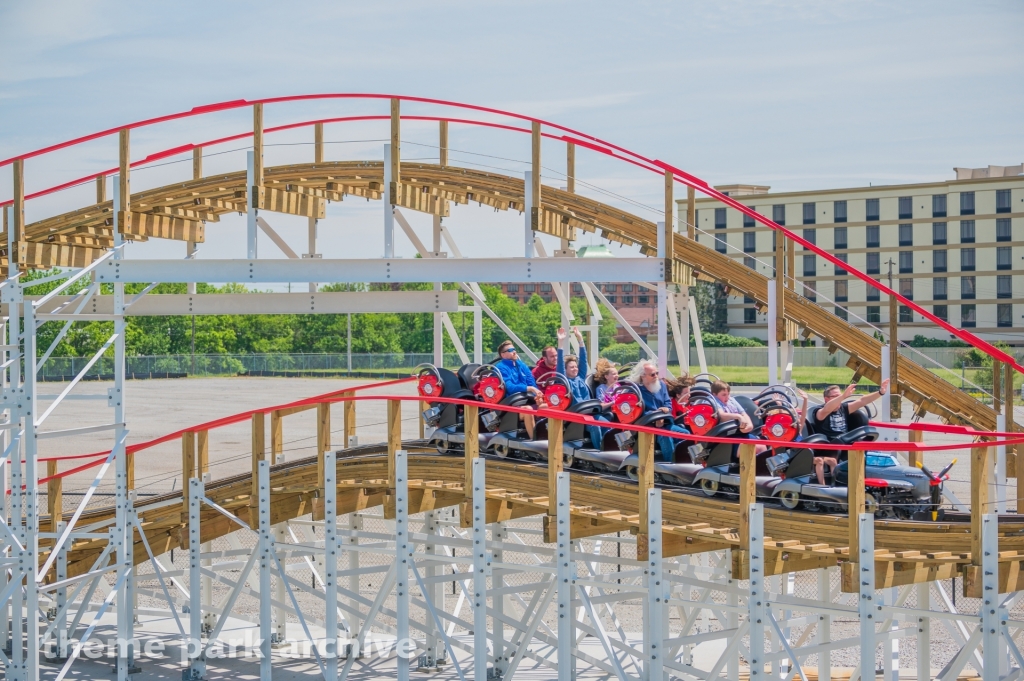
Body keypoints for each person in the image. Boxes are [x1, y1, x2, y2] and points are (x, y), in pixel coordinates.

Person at [555, 326, 605, 449]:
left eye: (575, 366)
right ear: (566, 370)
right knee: (594, 426)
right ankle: (598, 451)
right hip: (576, 413)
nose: (575, 369)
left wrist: (580, 339)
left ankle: (611, 448)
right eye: (571, 367)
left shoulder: (580, 378)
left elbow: (583, 361)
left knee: (608, 424)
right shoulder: (565, 381)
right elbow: (560, 366)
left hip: (589, 411)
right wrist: (560, 343)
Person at [634, 362, 690, 462]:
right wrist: (655, 416)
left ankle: (682, 461)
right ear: (643, 376)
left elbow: (668, 403)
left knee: (686, 435)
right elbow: (636, 412)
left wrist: (666, 410)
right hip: (646, 424)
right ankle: (668, 465)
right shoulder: (636, 390)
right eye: (652, 374)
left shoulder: (662, 386)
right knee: (665, 436)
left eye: (657, 373)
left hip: (664, 421)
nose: (656, 376)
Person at [815, 379, 890, 441]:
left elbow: (862, 401)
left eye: (839, 396)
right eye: (835, 396)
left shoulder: (843, 408)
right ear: (826, 399)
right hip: (831, 445)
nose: (839, 399)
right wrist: (843, 396)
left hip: (845, 441)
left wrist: (880, 392)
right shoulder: (821, 411)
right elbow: (827, 408)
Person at [495, 340, 542, 438]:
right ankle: (534, 442)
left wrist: (537, 397)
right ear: (503, 355)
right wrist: (530, 389)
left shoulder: (521, 365)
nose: (514, 351)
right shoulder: (500, 367)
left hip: (527, 400)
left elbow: (531, 382)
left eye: (514, 349)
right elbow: (510, 387)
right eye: (510, 350)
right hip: (511, 405)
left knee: (549, 407)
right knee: (528, 410)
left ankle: (554, 441)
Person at [795, 388, 836, 485]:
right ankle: (822, 485)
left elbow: (803, 415)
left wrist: (805, 400)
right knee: (819, 460)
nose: (799, 423)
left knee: (833, 460)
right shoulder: (786, 433)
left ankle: (834, 485)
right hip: (795, 457)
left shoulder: (799, 431)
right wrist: (780, 406)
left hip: (806, 455)